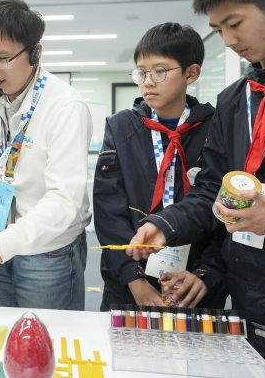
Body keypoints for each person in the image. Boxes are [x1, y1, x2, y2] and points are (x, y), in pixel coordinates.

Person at [127, 0, 265, 376]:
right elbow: (212, 190)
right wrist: (165, 224)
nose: (227, 40)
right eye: (218, 28)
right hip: (249, 307)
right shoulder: (235, 99)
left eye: (235, 24)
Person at [0, 0, 92, 310]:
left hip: (46, 254)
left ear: (35, 53)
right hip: (0, 238)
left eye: (1, 58)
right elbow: (4, 167)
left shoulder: (65, 106)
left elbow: (66, 201)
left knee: (45, 344)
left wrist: (1, 244)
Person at [93, 22, 228, 310]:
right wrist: (134, 281)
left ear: (191, 73)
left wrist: (205, 274)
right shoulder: (121, 127)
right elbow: (108, 210)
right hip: (128, 282)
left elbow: (222, 208)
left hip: (193, 284)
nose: (148, 81)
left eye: (160, 71)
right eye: (141, 72)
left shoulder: (216, 128)